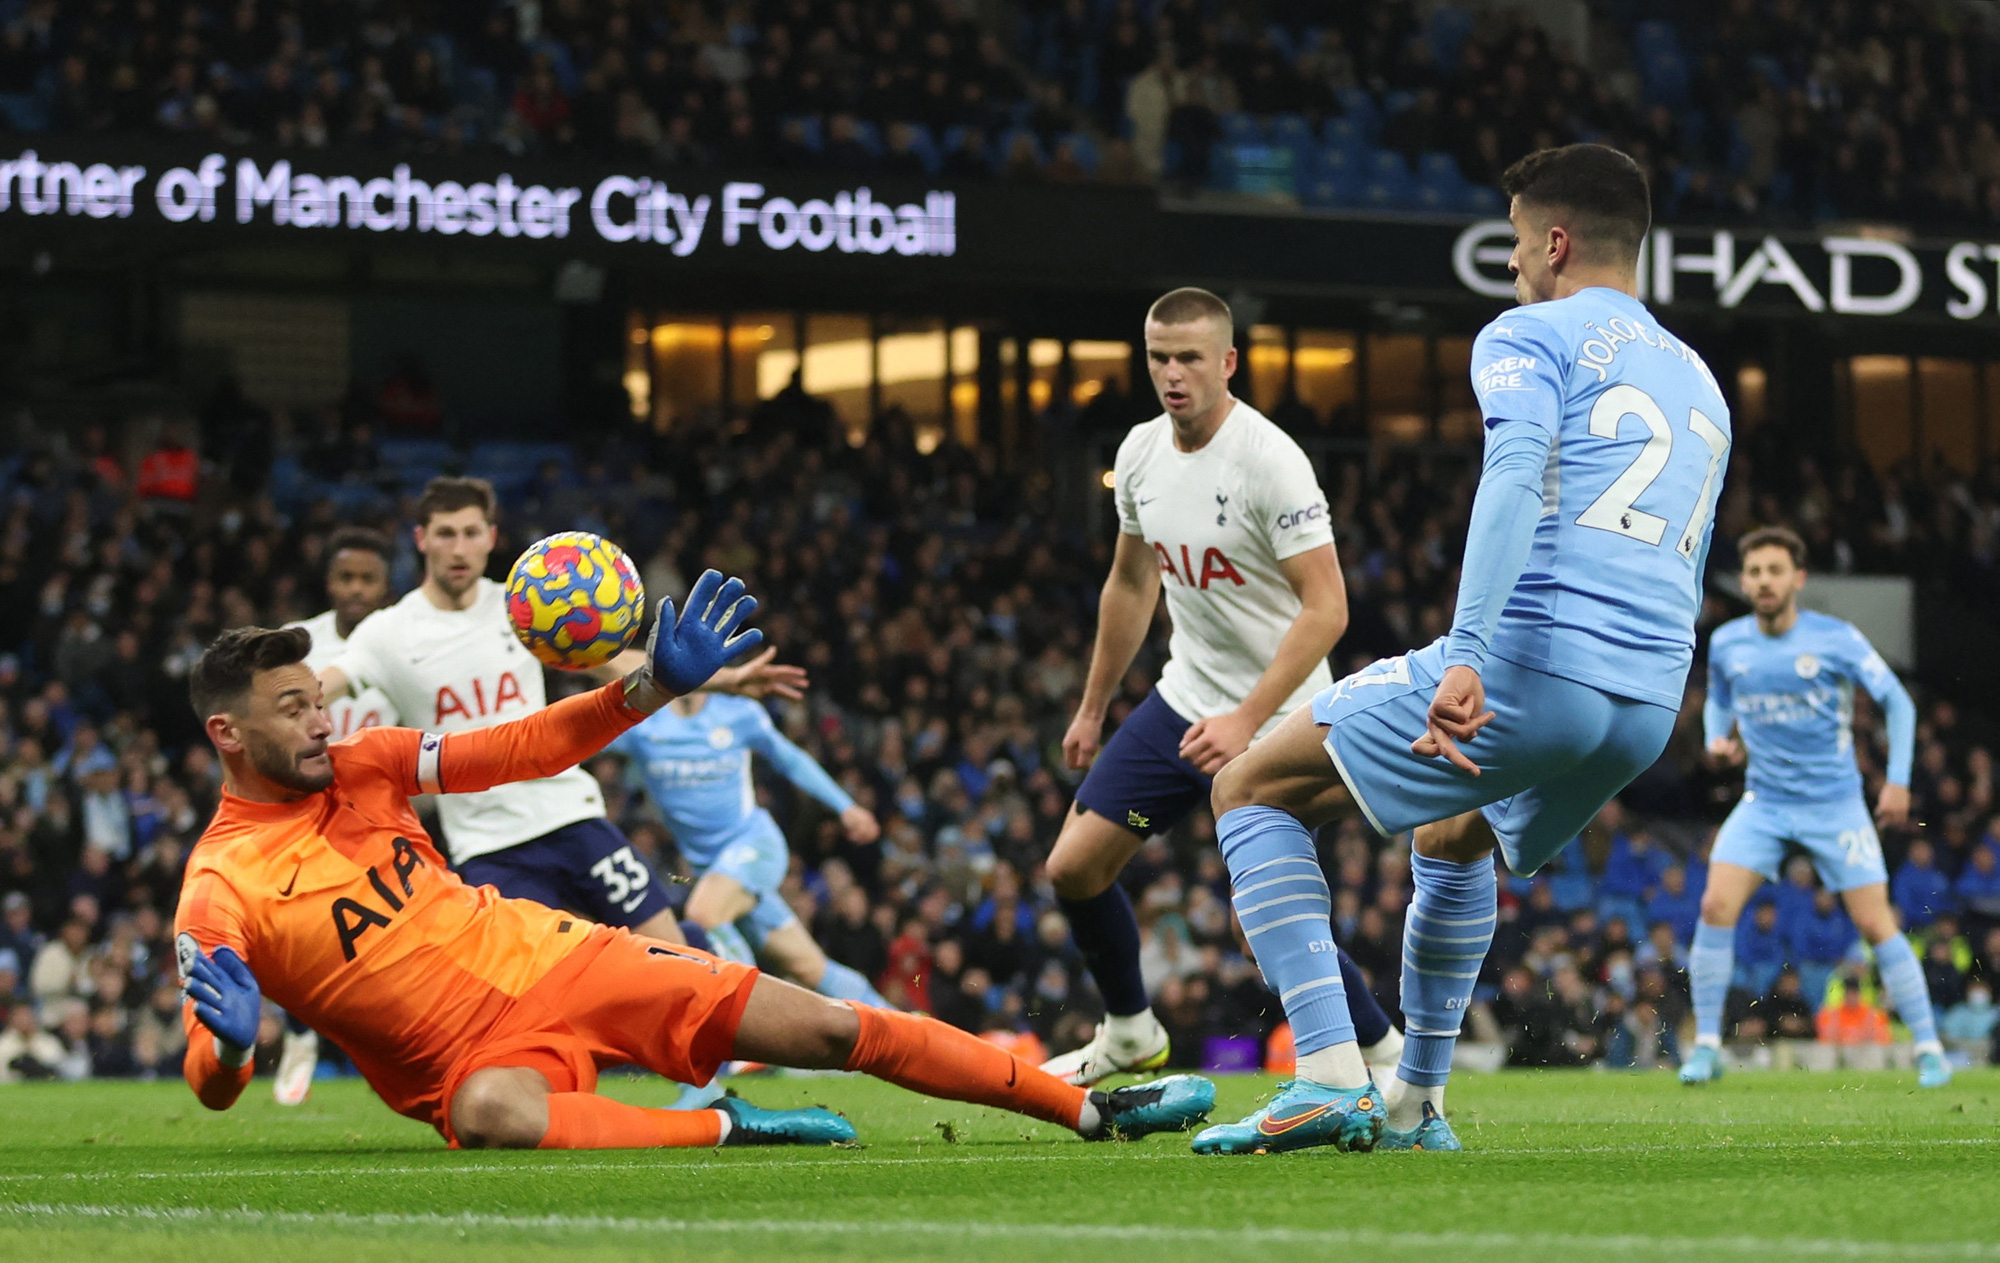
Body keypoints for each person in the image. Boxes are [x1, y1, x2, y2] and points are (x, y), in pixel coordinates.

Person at [176, 573, 1216, 1149]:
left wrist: (643, 691)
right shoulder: (220, 889)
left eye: (318, 699)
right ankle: (726, 1127)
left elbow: (520, 748)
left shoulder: (364, 763)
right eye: (292, 710)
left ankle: (1082, 1105)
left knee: (822, 1020)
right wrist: (224, 1055)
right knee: (493, 1118)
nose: (323, 722)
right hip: (466, 1064)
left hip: (558, 959)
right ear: (228, 733)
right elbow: (211, 1085)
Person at [1194, 143, 1729, 1154]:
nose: (1516, 260)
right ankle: (1416, 1107)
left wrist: (1467, 652)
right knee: (1451, 833)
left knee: (1249, 789)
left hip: (1539, 661)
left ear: (1556, 240)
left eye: (1521, 239)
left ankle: (1322, 1075)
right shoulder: (1699, 377)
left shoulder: (1527, 332)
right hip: (1647, 702)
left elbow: (1515, 473)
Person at [1040, 285, 1402, 1086]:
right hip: (1185, 698)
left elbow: (1329, 606)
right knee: (1073, 868)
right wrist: (1095, 704)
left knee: (1259, 925)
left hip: (1282, 716)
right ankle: (1131, 1030)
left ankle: (1381, 1051)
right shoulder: (1138, 453)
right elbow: (1131, 584)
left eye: (1189, 359)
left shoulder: (1269, 460)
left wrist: (1247, 718)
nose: (1173, 375)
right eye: (1159, 358)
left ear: (1228, 363)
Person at [314, 478, 800, 949]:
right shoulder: (387, 633)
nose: (458, 549)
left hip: (572, 817)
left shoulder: (528, 604)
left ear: (492, 536)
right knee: (547, 989)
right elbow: (322, 686)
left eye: (470, 532)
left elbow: (616, 662)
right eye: (445, 534)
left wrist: (727, 680)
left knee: (678, 961)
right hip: (489, 848)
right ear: (421, 539)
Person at [1679, 525, 1946, 1088]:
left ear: (1797, 578)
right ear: (1745, 581)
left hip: (1835, 804)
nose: (1764, 581)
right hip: (1765, 803)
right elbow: (1720, 699)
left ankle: (1928, 1048)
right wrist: (1715, 738)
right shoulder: (1728, 641)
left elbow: (1898, 701)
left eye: (1775, 570)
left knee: (1876, 923)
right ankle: (1705, 1047)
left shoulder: (1836, 638)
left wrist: (1897, 781)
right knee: (1713, 907)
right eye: (1754, 572)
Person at [610, 691, 892, 1007]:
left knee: (703, 914)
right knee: (810, 967)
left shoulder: (739, 714)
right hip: (714, 872)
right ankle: (900, 1025)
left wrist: (846, 807)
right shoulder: (642, 724)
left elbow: (790, 758)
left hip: (755, 847)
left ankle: (748, 1024)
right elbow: (573, 737)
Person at [270, 525, 400, 1106]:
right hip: (312, 812)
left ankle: (376, 1041)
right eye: (346, 577)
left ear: (384, 585)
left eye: (367, 578)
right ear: (329, 582)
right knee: (305, 928)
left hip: (390, 816)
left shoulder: (403, 638)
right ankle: (303, 1031)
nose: (355, 588)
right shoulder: (297, 647)